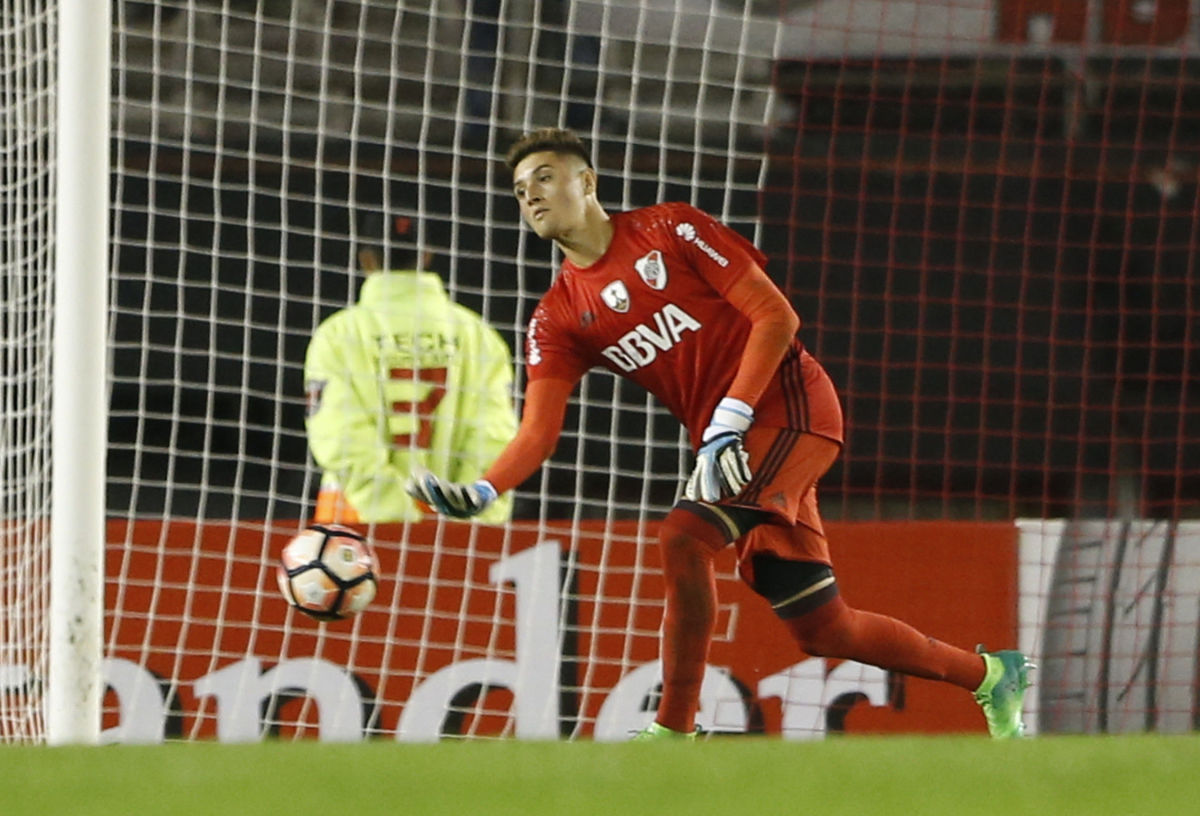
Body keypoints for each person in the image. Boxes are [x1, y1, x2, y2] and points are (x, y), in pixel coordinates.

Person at [406, 128, 1032, 738]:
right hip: (732, 446)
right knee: (822, 629)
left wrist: (728, 418)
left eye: (544, 177)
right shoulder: (558, 316)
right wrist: (485, 491)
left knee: (683, 537)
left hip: (790, 406)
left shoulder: (669, 228)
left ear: (587, 181)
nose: (532, 196)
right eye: (520, 191)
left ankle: (674, 730)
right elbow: (538, 431)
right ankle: (988, 675)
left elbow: (776, 316)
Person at [305, 212, 518, 525]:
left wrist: (396, 520)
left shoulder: (337, 336)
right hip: (462, 539)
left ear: (366, 259)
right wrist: (472, 528)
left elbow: (342, 440)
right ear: (427, 255)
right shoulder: (477, 335)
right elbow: (494, 439)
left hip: (352, 531)